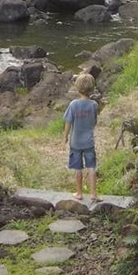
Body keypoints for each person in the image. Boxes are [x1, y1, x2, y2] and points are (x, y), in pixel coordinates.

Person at [62, 72, 100, 202]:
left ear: (77, 88)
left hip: (76, 142)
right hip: (89, 141)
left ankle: (79, 193)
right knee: (91, 166)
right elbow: (94, 122)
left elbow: (68, 122)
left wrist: (65, 137)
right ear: (92, 88)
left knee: (78, 168)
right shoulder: (94, 105)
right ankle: (94, 193)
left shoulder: (73, 104)